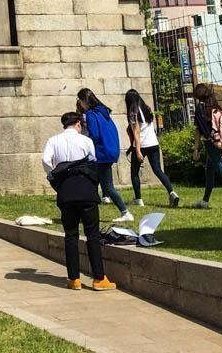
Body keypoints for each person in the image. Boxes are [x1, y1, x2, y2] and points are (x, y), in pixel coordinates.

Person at [42, 111, 116, 291]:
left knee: (71, 235)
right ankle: (99, 278)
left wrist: (53, 175)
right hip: (86, 190)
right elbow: (93, 162)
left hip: (65, 191)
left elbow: (45, 160)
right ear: (78, 124)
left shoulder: (53, 140)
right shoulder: (85, 141)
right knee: (92, 234)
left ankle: (73, 279)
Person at [75, 88, 134, 222]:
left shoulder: (90, 114)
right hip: (110, 150)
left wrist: (85, 145)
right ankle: (88, 214)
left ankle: (125, 212)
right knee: (95, 183)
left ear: (84, 101)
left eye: (80, 100)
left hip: (101, 152)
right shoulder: (103, 111)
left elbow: (94, 135)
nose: (79, 103)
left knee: (107, 186)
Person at [124, 89, 179, 208]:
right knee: (158, 170)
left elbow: (136, 132)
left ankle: (138, 199)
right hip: (153, 143)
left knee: (134, 173)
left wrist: (137, 150)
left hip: (142, 145)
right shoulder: (146, 108)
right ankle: (171, 192)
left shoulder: (133, 112)